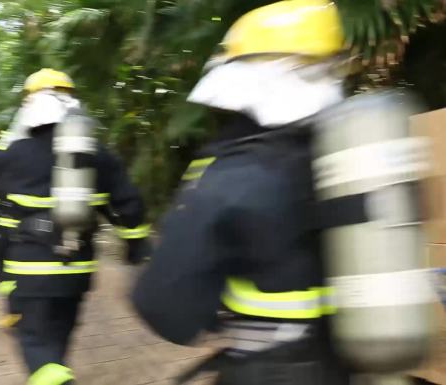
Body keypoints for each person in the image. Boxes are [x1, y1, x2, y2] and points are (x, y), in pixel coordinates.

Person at [132, 1, 354, 384]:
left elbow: (165, 308)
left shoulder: (234, 175)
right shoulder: (353, 157)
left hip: (269, 370)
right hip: (352, 362)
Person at [0, 68, 150, 384]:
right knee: (58, 339)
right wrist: (136, 242)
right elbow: (128, 204)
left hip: (29, 270)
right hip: (77, 268)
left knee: (35, 342)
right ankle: (57, 371)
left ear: (28, 107)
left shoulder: (13, 155)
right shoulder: (98, 155)